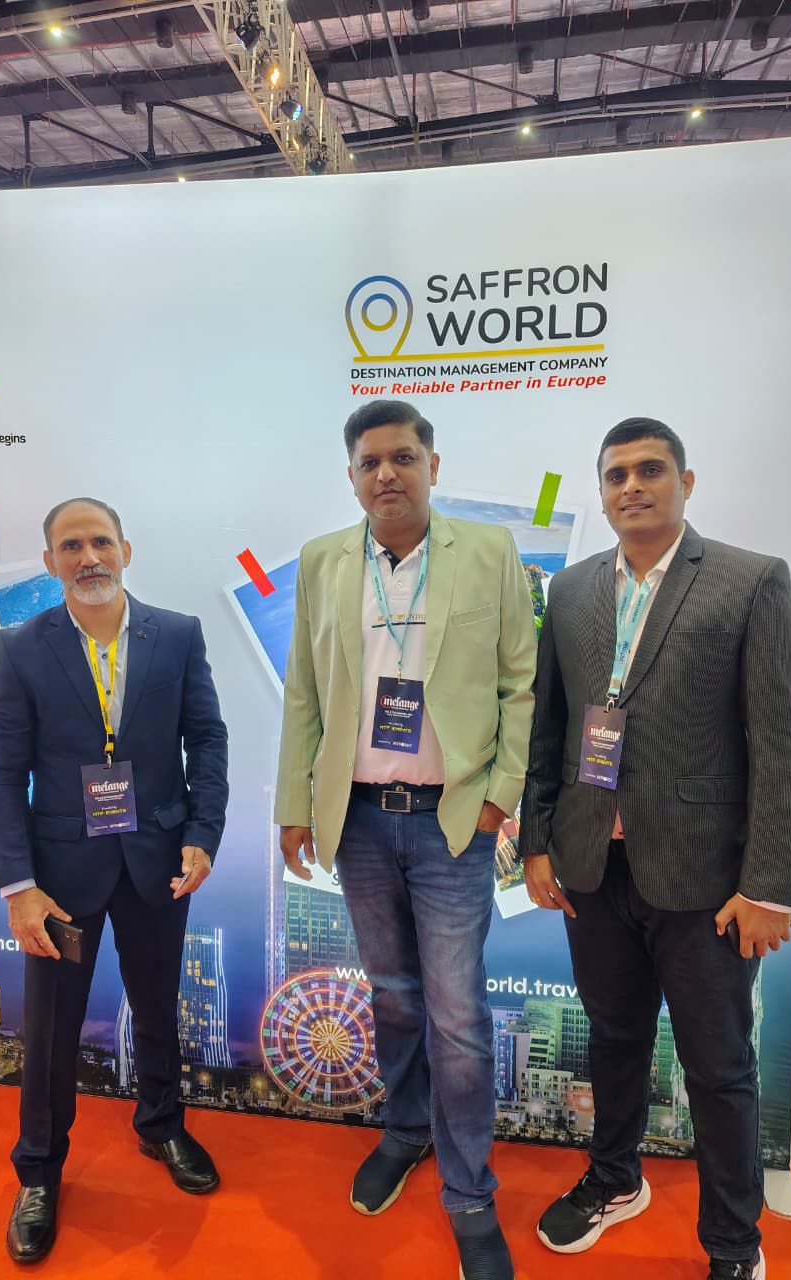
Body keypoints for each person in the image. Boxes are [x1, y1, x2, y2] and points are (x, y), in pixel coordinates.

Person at [520, 418, 791, 1280]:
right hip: (593, 867)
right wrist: (537, 842)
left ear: (686, 481)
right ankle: (616, 1180)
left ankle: (734, 1244)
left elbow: (781, 746)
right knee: (613, 1038)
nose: (632, 486)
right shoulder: (572, 590)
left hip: (706, 878)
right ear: (601, 491)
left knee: (718, 1068)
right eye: (616, 475)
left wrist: (768, 886)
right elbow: (550, 729)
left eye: (650, 470)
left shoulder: (749, 581)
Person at [275, 400, 536, 1280]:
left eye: (403, 457)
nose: (386, 473)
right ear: (352, 477)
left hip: (452, 821)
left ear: (433, 466)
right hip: (357, 818)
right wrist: (295, 803)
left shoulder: (490, 552)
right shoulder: (322, 561)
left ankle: (469, 1193)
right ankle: (405, 1129)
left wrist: (501, 796)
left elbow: (520, 684)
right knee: (390, 995)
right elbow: (305, 693)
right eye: (369, 462)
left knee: (457, 1015)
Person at [0, 497, 229, 1264]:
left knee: (157, 1004)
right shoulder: (21, 647)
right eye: (70, 546)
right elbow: (0, 775)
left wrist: (202, 835)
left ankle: (161, 1125)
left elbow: (207, 739)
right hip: (60, 879)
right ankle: (39, 1172)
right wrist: (18, 886)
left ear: (126, 548)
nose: (88, 557)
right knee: (52, 1029)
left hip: (158, 863)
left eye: (99, 541)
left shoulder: (177, 634)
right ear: (49, 562)